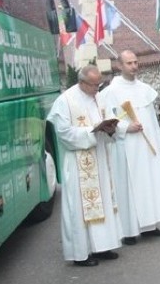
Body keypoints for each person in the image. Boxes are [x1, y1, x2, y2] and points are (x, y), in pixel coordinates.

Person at [47, 65, 122, 267]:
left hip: (99, 156)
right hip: (79, 161)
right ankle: (81, 253)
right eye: (94, 85)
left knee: (104, 201)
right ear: (81, 82)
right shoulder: (65, 101)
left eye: (99, 84)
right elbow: (63, 133)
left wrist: (109, 128)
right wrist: (91, 130)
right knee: (79, 209)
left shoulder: (97, 97)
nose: (97, 89)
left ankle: (103, 246)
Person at [101, 50, 160, 244]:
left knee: (150, 184)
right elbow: (108, 119)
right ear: (120, 65)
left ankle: (150, 225)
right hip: (126, 146)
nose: (134, 66)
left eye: (135, 62)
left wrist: (158, 144)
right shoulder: (111, 92)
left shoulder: (144, 89)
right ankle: (129, 230)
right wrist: (126, 127)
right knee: (128, 186)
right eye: (129, 63)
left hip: (147, 146)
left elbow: (151, 118)